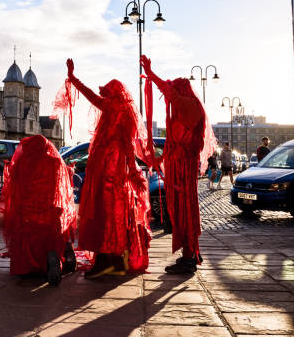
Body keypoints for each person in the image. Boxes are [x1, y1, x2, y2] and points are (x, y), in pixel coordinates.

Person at [58, 58, 151, 279]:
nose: (105, 97)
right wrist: (131, 169)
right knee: (117, 214)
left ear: (113, 94)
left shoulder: (114, 106)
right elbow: (130, 144)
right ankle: (116, 260)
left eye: (107, 93)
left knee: (104, 213)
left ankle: (106, 261)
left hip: (109, 167)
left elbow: (91, 96)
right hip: (117, 167)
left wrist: (73, 78)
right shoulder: (126, 109)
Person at [141, 55, 216, 275]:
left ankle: (189, 257)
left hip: (183, 171)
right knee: (182, 212)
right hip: (177, 170)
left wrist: (151, 73)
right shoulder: (184, 108)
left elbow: (169, 92)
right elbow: (172, 144)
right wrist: (159, 160)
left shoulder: (188, 105)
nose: (169, 99)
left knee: (185, 212)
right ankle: (191, 251)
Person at [0, 135, 77, 286]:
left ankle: (27, 267)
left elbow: (15, 190)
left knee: (24, 232)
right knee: (55, 231)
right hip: (49, 212)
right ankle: (52, 256)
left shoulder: (22, 163)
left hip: (28, 214)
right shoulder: (54, 162)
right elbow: (61, 190)